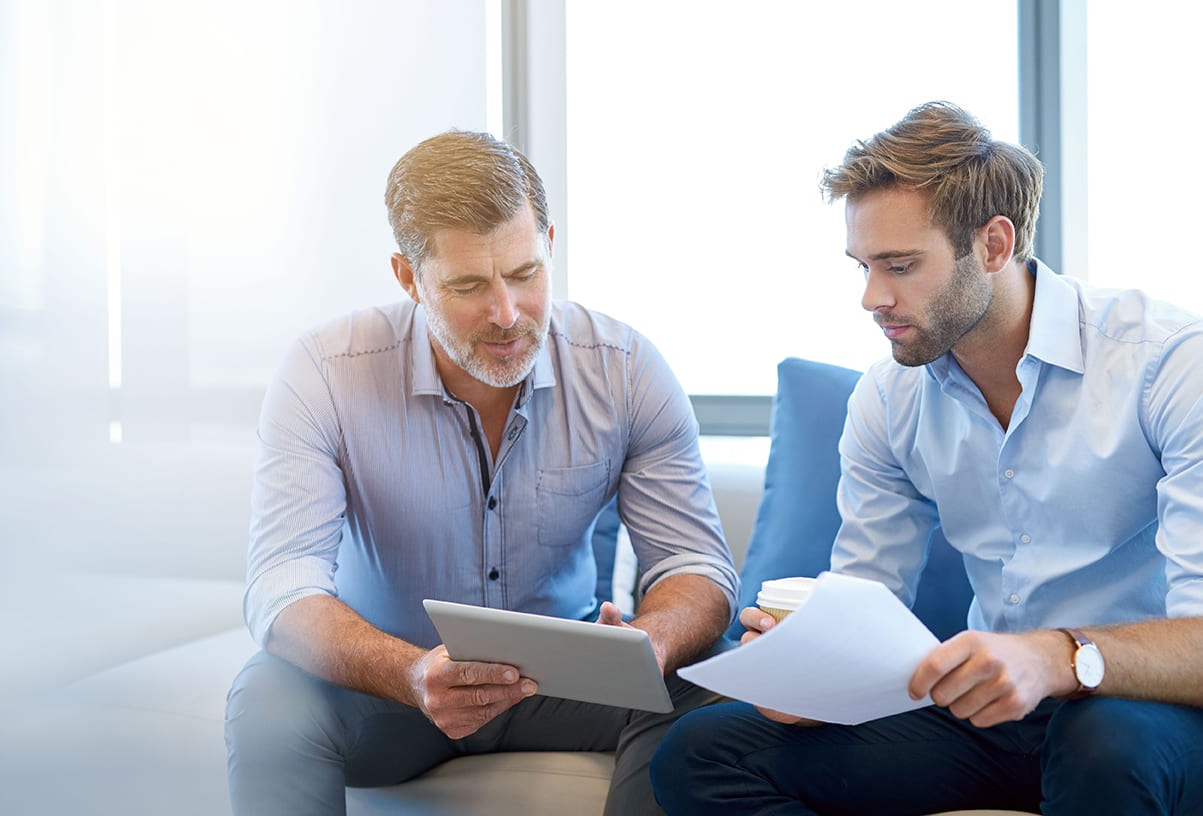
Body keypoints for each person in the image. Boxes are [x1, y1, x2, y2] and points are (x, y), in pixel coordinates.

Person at [651, 101, 1203, 815]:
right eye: (863, 266)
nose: (871, 297)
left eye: (900, 266)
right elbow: (867, 599)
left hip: (1144, 707)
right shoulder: (890, 396)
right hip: (995, 718)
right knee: (700, 755)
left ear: (994, 245)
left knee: (1102, 742)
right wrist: (811, 673)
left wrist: (1056, 657)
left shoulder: (1165, 365)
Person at [225, 130, 738, 815]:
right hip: (390, 689)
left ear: (549, 242)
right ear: (408, 277)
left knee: (712, 679)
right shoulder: (324, 371)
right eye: (467, 285)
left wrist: (653, 640)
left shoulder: (623, 367)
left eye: (524, 275)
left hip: (567, 685)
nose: (505, 315)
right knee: (267, 697)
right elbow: (282, 585)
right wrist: (409, 673)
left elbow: (695, 563)